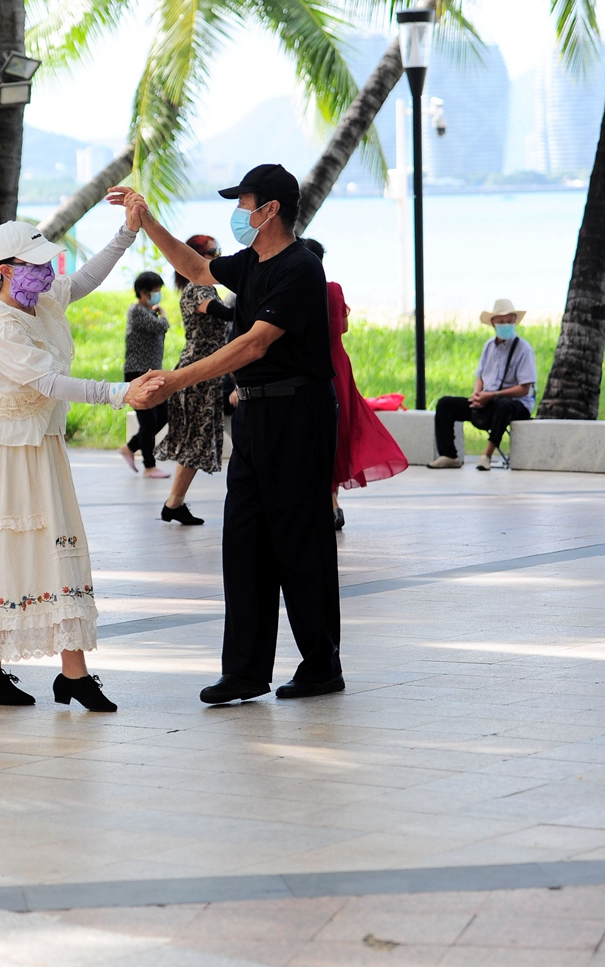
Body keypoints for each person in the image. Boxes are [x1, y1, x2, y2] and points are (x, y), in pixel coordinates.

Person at [109, 164, 343, 706]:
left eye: (244, 202)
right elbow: (195, 266)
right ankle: (244, 672)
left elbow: (254, 343)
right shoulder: (250, 263)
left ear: (270, 210)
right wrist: (146, 221)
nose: (239, 212)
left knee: (300, 542)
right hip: (255, 415)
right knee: (244, 543)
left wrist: (176, 380)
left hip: (298, 413)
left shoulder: (300, 267)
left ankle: (320, 665)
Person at [0, 214, 164, 710]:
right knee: (11, 553)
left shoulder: (40, 302)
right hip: (4, 455)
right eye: (35, 265)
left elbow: (84, 279)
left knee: (54, 548)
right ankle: (51, 675)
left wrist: (127, 232)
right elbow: (48, 382)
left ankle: (6, 674)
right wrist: (119, 393)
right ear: (5, 269)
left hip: (40, 444)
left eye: (47, 263)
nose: (46, 273)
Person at [301, 238, 407, 529]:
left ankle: (325, 502)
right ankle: (332, 502)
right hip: (339, 365)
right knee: (340, 429)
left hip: (311, 366)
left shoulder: (297, 289)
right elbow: (344, 327)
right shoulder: (334, 289)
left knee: (315, 432)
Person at [157, 234, 232, 525]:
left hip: (209, 372)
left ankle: (174, 503)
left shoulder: (207, 288)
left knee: (198, 439)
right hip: (197, 374)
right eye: (213, 252)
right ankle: (173, 503)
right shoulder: (197, 289)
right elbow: (225, 314)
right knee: (195, 438)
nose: (218, 257)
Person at [428, 298, 537, 472]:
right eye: (501, 322)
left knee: (504, 406)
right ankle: (449, 455)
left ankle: (487, 455)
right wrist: (477, 395)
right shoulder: (489, 346)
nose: (506, 325)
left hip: (515, 403)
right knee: (445, 404)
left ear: (515, 321)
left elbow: (524, 388)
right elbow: (480, 376)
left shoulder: (523, 349)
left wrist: (494, 395)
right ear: (493, 323)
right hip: (488, 399)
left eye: (509, 321)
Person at [118, 271, 170, 478]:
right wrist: (163, 313)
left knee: (163, 416)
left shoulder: (148, 312)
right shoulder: (137, 311)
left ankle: (130, 447)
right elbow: (162, 327)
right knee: (148, 422)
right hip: (138, 373)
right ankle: (149, 466)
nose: (158, 295)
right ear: (143, 292)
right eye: (155, 291)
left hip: (151, 372)